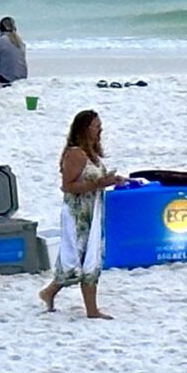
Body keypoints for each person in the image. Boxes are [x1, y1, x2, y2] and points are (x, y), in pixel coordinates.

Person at [40, 109, 128, 319]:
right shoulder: (75, 154)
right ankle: (62, 297)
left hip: (93, 210)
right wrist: (100, 183)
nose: (100, 131)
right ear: (84, 129)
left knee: (91, 257)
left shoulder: (92, 154)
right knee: (77, 258)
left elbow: (92, 181)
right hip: (78, 213)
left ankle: (60, 297)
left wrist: (110, 180)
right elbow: (68, 186)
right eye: (96, 127)